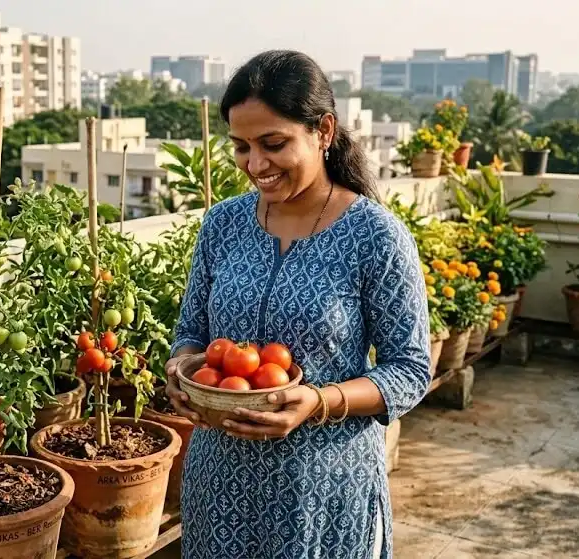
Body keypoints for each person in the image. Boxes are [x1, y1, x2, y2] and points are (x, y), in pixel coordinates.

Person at [165, 50, 431, 559]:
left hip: (324, 488)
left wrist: (320, 402)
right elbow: (192, 332)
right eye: (241, 147)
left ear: (324, 131)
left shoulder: (376, 236)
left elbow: (411, 368)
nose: (255, 165)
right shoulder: (222, 225)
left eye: (273, 144)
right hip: (220, 481)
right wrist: (181, 369)